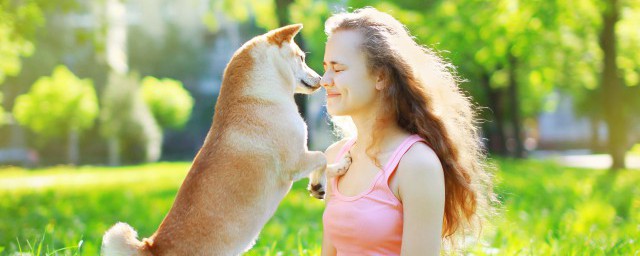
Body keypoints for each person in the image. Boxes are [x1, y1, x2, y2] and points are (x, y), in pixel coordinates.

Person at [319, 7, 495, 255]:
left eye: (338, 69)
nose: (324, 79)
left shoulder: (416, 164)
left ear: (380, 76)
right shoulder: (335, 157)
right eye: (325, 67)